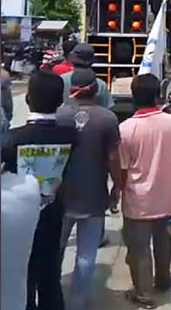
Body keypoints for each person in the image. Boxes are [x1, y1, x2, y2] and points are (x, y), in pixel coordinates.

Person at [1, 70, 78, 310]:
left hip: (19, 216)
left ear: (27, 99)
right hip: (54, 211)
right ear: (60, 101)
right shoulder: (72, 136)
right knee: (50, 273)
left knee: (22, 271)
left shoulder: (12, 139)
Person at [117, 74, 171, 308]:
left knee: (139, 249)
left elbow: (123, 169)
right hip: (165, 195)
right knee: (163, 242)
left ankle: (145, 295)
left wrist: (118, 191)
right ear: (158, 94)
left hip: (138, 200)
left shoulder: (126, 129)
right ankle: (164, 280)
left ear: (134, 96)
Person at [55, 69, 121, 310]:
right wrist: (118, 187)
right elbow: (114, 158)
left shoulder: (59, 115)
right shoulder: (108, 119)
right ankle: (77, 303)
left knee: (56, 250)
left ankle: (53, 298)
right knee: (86, 254)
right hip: (94, 196)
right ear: (96, 90)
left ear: (71, 90)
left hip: (60, 196)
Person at [59, 43, 114, 110]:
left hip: (65, 119)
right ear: (92, 61)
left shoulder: (60, 80)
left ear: (72, 59)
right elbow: (108, 110)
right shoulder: (100, 84)